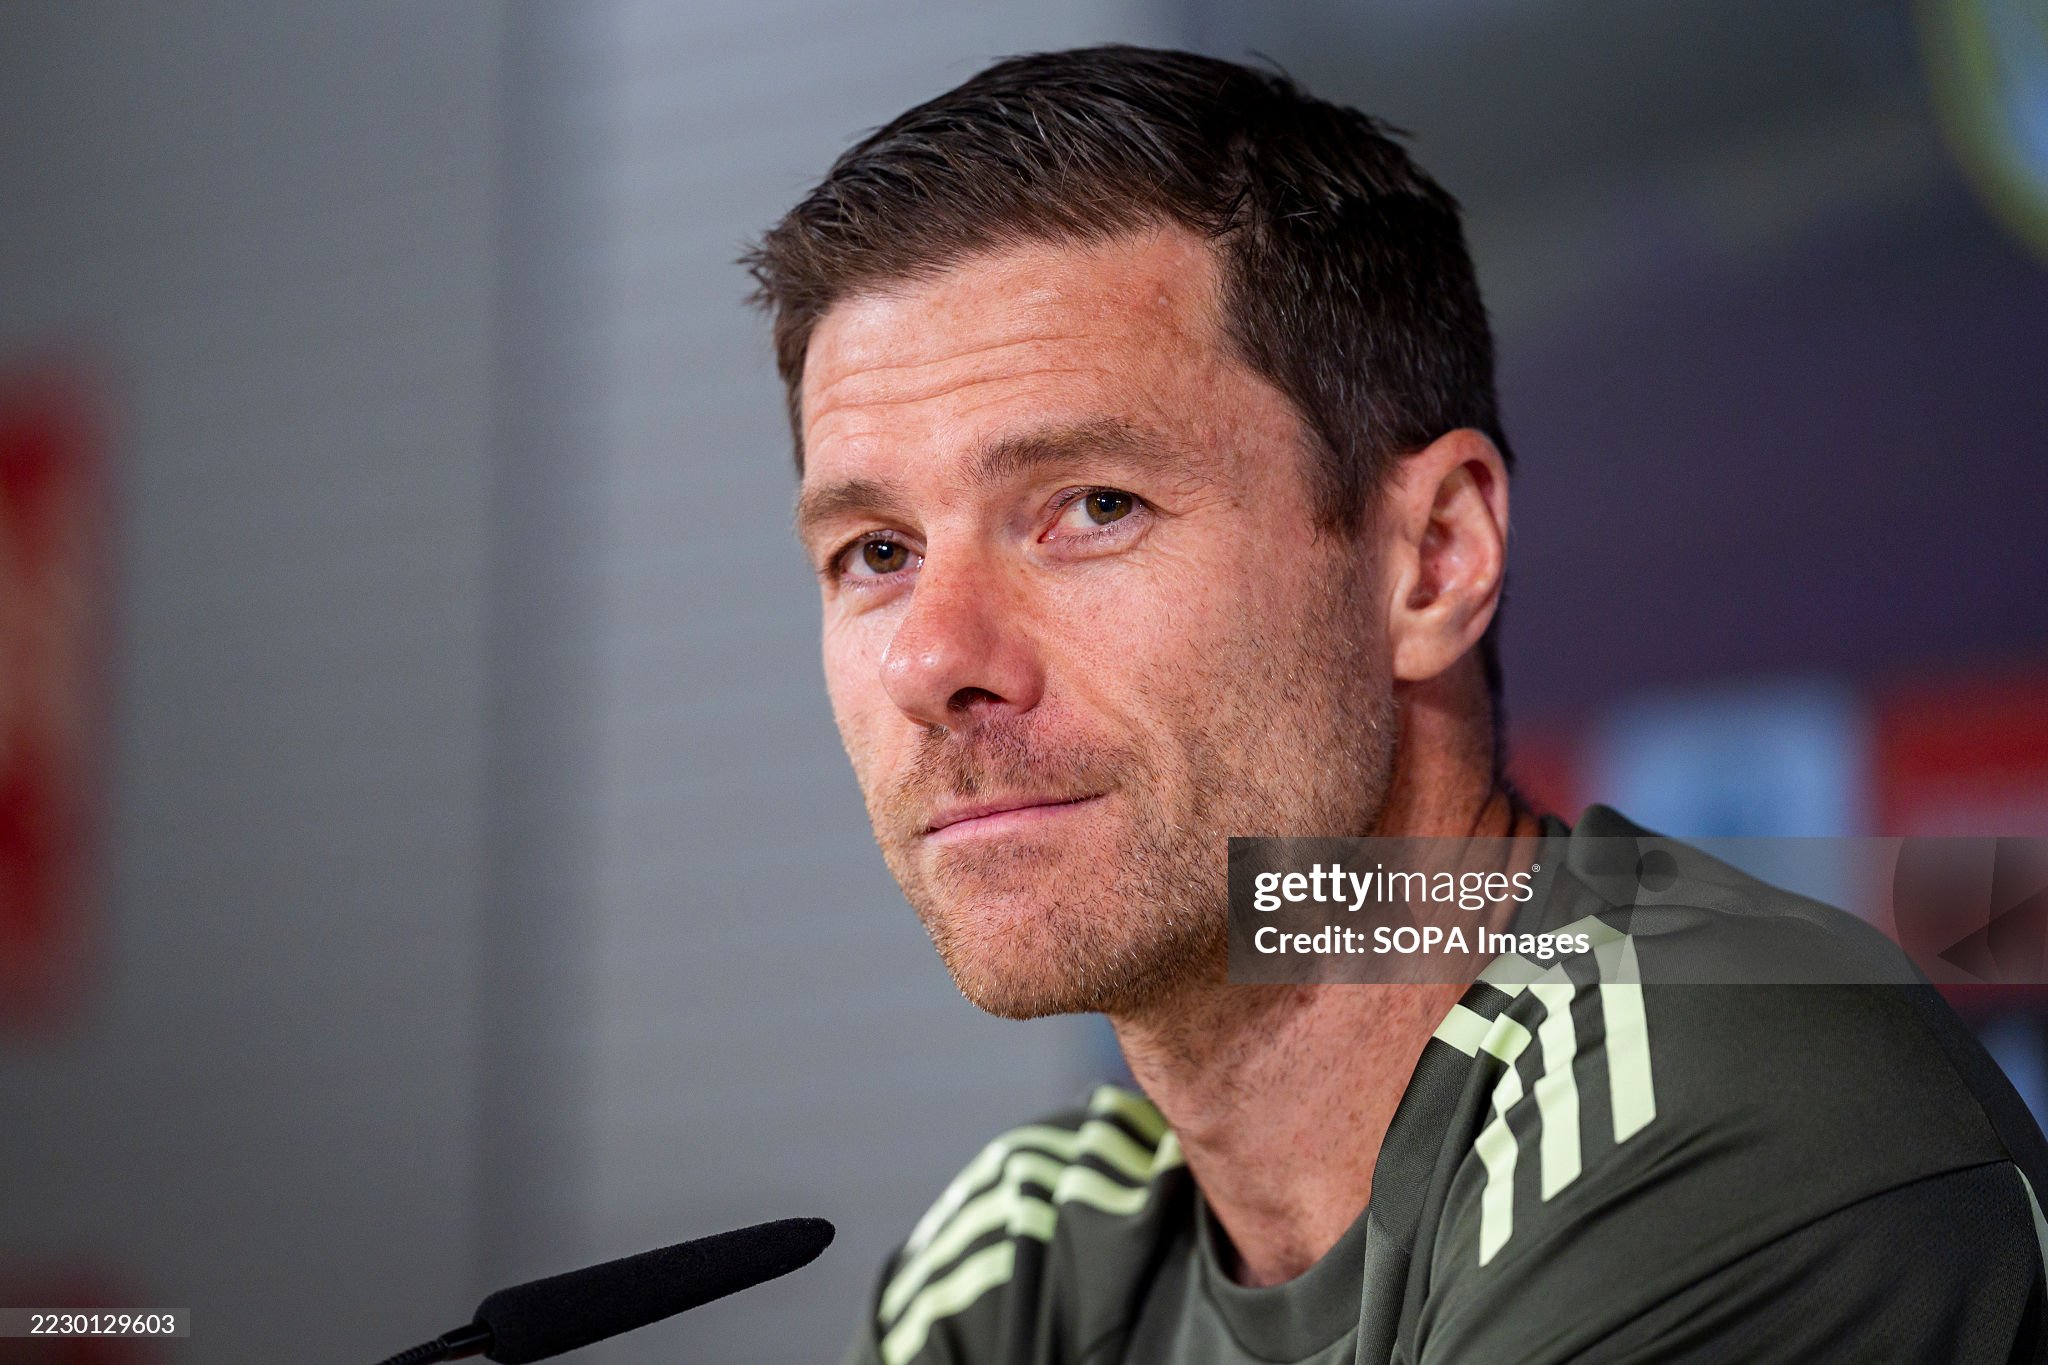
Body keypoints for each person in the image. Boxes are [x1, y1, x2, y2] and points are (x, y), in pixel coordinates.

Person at [744, 45, 2048, 1363]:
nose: (930, 660)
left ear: (1431, 559)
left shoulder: (1738, 1119)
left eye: (1093, 508)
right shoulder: (1019, 1270)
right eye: (876, 552)